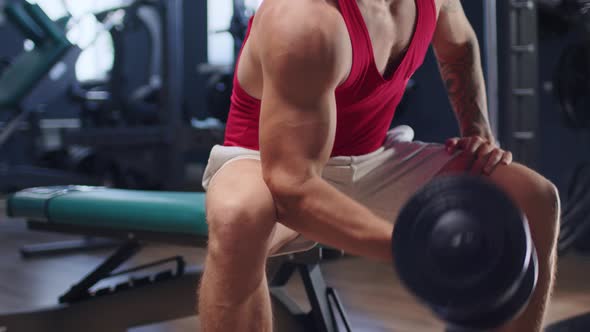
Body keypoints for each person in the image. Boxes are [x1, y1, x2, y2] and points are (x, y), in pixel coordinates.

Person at [199, 0, 560, 331]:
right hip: (266, 160)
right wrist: (412, 246)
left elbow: (460, 43)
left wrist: (478, 131)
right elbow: (290, 186)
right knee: (240, 217)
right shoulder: (305, 19)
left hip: (373, 157)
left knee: (533, 197)